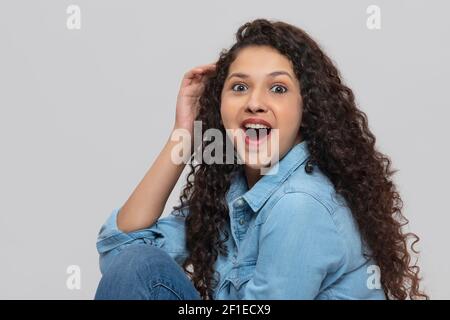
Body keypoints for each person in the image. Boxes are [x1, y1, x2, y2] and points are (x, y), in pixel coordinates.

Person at [94, 18, 427, 300]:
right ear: (218, 104)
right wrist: (183, 134)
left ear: (306, 109)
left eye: (278, 89)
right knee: (136, 264)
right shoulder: (232, 189)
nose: (254, 103)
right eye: (239, 87)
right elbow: (119, 253)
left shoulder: (299, 205)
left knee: (138, 266)